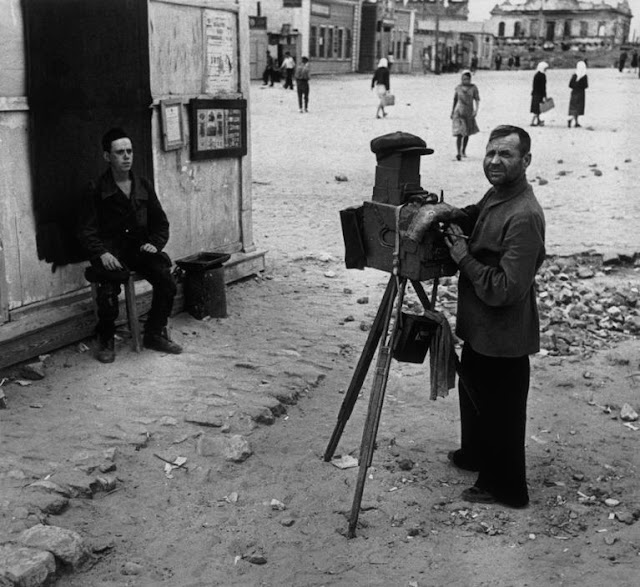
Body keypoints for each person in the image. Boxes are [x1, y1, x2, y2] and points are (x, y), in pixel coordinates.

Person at [443, 125, 546, 508]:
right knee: (474, 396)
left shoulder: (524, 215)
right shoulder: (499, 193)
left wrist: (462, 258)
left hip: (504, 335)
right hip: (480, 328)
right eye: (490, 153)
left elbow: (506, 288)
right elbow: (478, 213)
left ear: (526, 161)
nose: (495, 161)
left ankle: (506, 488)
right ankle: (475, 456)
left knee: (502, 411)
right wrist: (451, 214)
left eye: (505, 155)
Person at [78, 128, 182, 363]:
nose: (126, 157)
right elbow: (86, 230)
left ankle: (154, 333)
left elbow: (160, 223)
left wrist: (155, 244)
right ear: (107, 157)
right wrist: (101, 252)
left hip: (138, 249)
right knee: (107, 288)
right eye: (119, 152)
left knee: (166, 280)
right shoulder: (96, 188)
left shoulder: (142, 185)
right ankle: (106, 339)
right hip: (110, 252)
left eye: (129, 151)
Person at [451, 70, 480, 161]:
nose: (465, 81)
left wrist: (476, 110)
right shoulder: (458, 88)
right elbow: (455, 100)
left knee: (467, 133)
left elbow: (477, 99)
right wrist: (452, 111)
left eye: (467, 79)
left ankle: (463, 150)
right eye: (463, 79)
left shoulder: (473, 88)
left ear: (470, 79)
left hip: (469, 112)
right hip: (459, 112)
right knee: (459, 133)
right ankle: (458, 152)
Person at [567, 61, 588, 128]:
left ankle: (576, 122)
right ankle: (572, 120)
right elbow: (586, 85)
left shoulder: (574, 75)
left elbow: (570, 85)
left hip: (574, 93)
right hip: (581, 93)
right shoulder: (584, 76)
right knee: (579, 108)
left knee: (574, 107)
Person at [530, 61, 548, 127]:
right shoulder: (542, 76)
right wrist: (545, 95)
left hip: (535, 93)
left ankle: (538, 121)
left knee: (537, 109)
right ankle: (532, 121)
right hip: (539, 94)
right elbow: (543, 87)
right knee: (537, 109)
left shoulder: (536, 75)